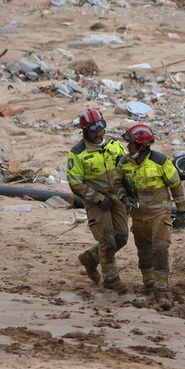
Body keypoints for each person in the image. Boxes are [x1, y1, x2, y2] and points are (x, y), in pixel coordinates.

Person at [117, 124, 185, 310]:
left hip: (159, 214)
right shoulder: (124, 163)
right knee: (144, 251)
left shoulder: (161, 162)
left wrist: (181, 210)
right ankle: (149, 285)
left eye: (130, 143)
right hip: (138, 216)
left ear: (140, 145)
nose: (127, 146)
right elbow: (119, 186)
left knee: (161, 248)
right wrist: (124, 198)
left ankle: (162, 290)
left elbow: (176, 186)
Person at [66, 108, 129, 293]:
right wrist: (97, 198)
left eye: (101, 128)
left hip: (118, 197)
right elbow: (74, 182)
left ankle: (90, 258)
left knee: (121, 238)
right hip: (96, 201)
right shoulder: (77, 153)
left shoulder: (115, 145)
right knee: (107, 240)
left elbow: (126, 169)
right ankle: (111, 279)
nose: (98, 133)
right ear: (85, 131)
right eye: (93, 130)